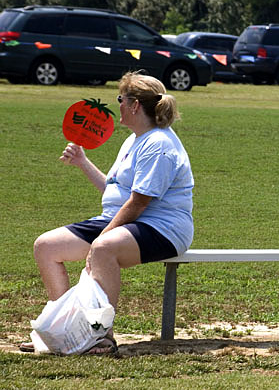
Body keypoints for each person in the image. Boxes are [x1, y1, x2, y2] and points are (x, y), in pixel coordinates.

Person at [21, 72, 194, 355]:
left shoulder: (159, 144)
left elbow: (139, 203)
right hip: (127, 220)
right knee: (46, 247)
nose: (119, 106)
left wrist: (101, 238)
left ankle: (102, 337)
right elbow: (115, 193)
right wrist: (82, 163)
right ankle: (65, 330)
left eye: (121, 99)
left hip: (163, 227)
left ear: (135, 105)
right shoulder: (134, 139)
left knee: (102, 249)